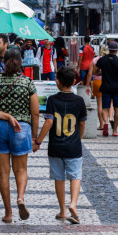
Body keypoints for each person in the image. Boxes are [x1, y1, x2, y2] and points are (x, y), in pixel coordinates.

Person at [0, 49, 40, 223]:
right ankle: (20, 197)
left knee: (3, 173)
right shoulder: (27, 82)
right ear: (21, 62)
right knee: (21, 169)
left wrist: (6, 116)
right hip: (21, 129)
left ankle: (8, 213)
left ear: (3, 62)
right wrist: (35, 137)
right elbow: (35, 113)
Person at [32, 67, 86, 224]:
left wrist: (38, 141)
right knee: (75, 175)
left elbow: (49, 122)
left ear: (58, 82)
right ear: (74, 82)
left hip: (55, 146)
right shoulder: (79, 101)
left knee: (59, 178)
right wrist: (79, 139)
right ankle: (73, 204)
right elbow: (82, 124)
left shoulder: (52, 100)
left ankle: (62, 210)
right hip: (73, 146)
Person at [94, 41, 118, 137]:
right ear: (117, 50)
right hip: (117, 88)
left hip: (105, 87)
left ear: (109, 49)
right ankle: (115, 131)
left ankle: (105, 122)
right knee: (117, 108)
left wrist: (102, 73)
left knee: (105, 108)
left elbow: (94, 71)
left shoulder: (102, 60)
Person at [86, 47, 109, 134]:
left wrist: (88, 86)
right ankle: (107, 120)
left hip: (96, 82)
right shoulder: (107, 60)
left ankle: (101, 124)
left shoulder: (95, 60)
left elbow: (89, 74)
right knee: (106, 104)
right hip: (107, 82)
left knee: (99, 104)